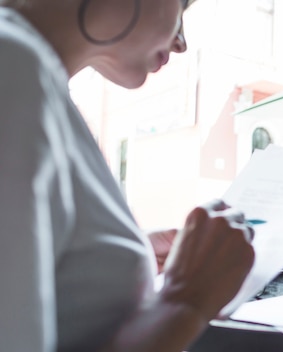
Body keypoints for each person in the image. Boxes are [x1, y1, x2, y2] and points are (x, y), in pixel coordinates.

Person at [0, 1, 255, 351]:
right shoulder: (12, 66)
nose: (181, 43)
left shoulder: (32, 71)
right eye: (182, 6)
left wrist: (116, 255)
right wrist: (186, 302)